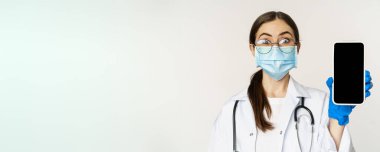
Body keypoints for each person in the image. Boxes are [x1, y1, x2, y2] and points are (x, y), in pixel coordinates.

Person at [207, 11, 373, 152]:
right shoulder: (232, 110)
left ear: (297, 47)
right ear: (253, 49)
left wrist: (337, 119)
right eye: (265, 41)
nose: (275, 48)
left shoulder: (321, 103)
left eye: (285, 40)